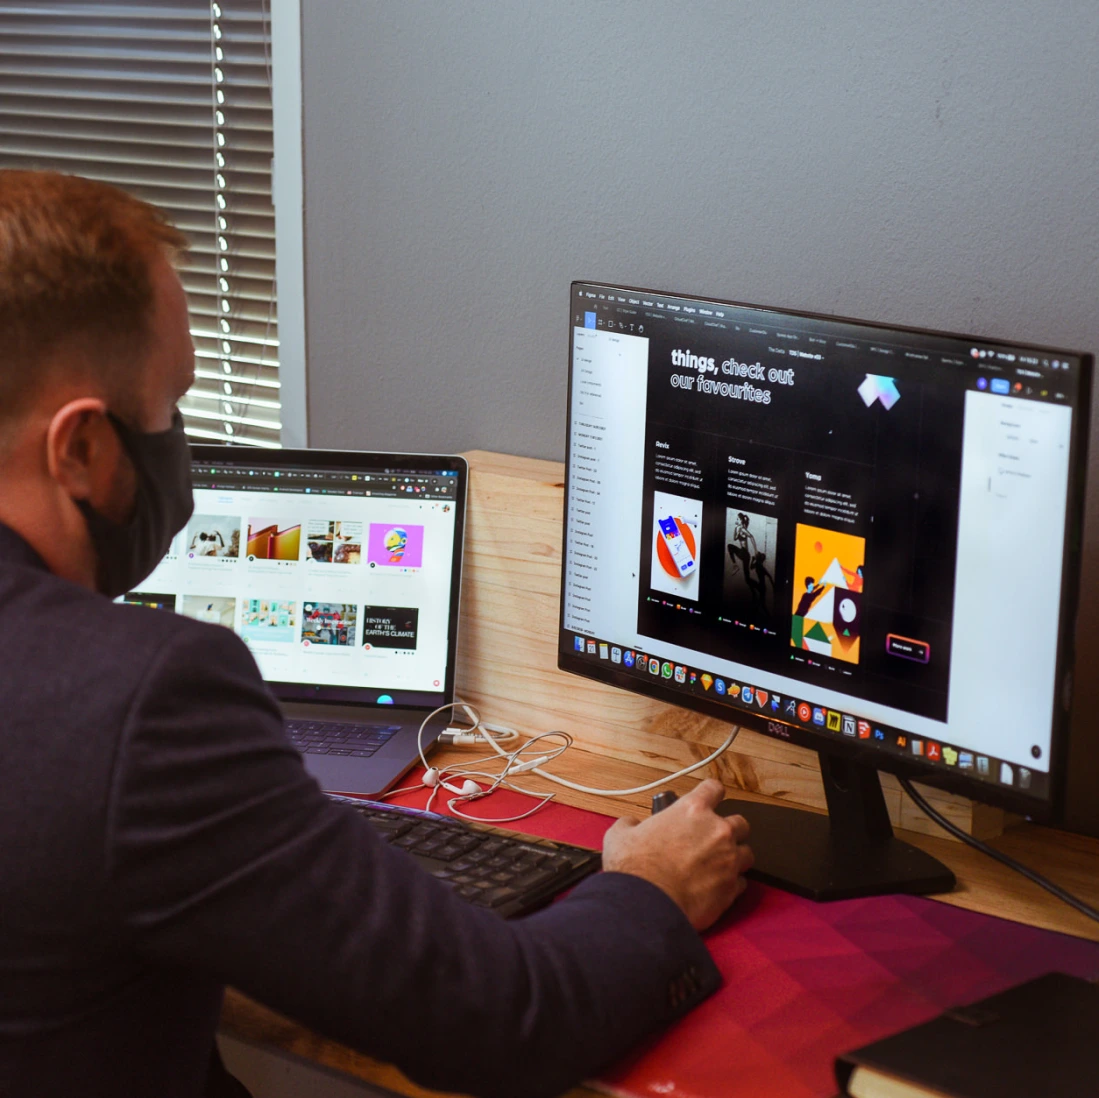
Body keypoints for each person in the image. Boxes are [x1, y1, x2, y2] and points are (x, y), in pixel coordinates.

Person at [0, 171, 754, 1098]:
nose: (178, 443)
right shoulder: (133, 702)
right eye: (167, 407)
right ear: (78, 448)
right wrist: (649, 889)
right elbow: (500, 1021)